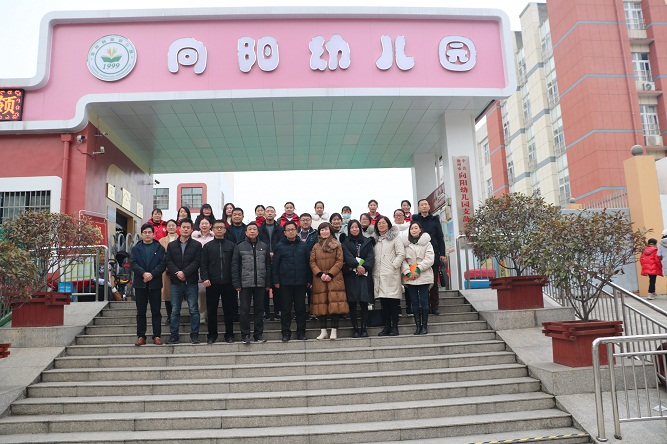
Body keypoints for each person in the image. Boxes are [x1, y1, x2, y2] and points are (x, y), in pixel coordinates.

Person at [232, 222, 272, 344]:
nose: (252, 231)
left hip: (260, 283)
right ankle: (245, 335)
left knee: (259, 310)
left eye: (254, 229)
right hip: (245, 284)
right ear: (246, 232)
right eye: (250, 229)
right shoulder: (239, 246)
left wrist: (268, 283)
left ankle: (258, 334)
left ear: (258, 232)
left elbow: (268, 266)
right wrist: (237, 283)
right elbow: (235, 266)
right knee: (244, 310)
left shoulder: (264, 246)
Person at [165, 218, 202, 344]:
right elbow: (168, 261)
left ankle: (195, 335)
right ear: (179, 229)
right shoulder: (171, 245)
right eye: (183, 227)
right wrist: (177, 272)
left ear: (191, 229)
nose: (185, 229)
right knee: (175, 310)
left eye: (188, 227)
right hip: (176, 282)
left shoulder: (197, 245)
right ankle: (174, 335)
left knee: (194, 309)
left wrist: (185, 272)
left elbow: (197, 262)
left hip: (191, 282)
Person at [272, 221, 310, 341]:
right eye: (288, 230)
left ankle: (301, 332)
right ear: (284, 232)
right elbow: (275, 265)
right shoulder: (279, 246)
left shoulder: (303, 246)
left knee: (300, 309)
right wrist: (276, 280)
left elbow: (308, 264)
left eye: (293, 229)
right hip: (285, 283)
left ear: (296, 231)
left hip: (301, 282)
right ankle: (285, 333)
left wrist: (309, 279)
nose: (291, 232)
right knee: (286, 309)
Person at [130, 223, 167, 346]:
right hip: (140, 284)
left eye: (149, 232)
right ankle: (141, 336)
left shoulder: (159, 248)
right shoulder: (136, 248)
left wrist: (151, 274)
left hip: (155, 284)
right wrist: (143, 274)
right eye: (145, 232)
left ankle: (157, 336)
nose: (147, 234)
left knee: (156, 311)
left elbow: (162, 264)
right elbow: (133, 263)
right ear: (141, 234)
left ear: (153, 234)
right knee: (141, 311)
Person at [201, 220, 237, 343]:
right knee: (212, 310)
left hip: (228, 283)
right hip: (212, 283)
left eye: (222, 227)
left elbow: (235, 264)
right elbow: (203, 264)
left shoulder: (231, 246)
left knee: (228, 310)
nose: (219, 229)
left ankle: (229, 335)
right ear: (213, 230)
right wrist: (205, 278)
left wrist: (235, 280)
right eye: (217, 227)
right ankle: (212, 335)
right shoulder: (208, 246)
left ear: (225, 230)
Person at [310, 222, 348, 340]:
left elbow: (339, 261)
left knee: (334, 304)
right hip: (320, 279)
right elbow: (312, 262)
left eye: (326, 229)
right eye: (322, 230)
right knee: (321, 304)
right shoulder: (316, 246)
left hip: (335, 278)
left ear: (330, 231)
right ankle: (323, 331)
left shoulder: (337, 245)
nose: (324, 232)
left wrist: (330, 274)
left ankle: (334, 331)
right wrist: (320, 274)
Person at [412, 199, 446, 315]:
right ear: (418, 207)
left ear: (429, 207)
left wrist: (442, 253)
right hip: (419, 255)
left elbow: (440, 238)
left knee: (434, 283)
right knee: (422, 282)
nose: (424, 206)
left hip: (434, 254)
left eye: (426, 204)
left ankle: (434, 306)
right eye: (422, 205)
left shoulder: (435, 220)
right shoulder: (415, 220)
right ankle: (424, 306)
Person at [373, 216, 405, 336]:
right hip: (379, 275)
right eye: (379, 223)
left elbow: (401, 254)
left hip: (391, 274)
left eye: (384, 223)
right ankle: (386, 327)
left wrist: (393, 266)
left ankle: (395, 327)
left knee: (393, 302)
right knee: (384, 303)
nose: (381, 225)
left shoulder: (395, 238)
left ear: (388, 225)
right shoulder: (375, 240)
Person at [342, 219, 375, 338]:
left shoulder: (367, 241)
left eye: (356, 227)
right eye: (352, 227)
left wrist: (364, 267)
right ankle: (355, 329)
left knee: (364, 302)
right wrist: (356, 266)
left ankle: (364, 328)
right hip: (351, 275)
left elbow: (371, 257)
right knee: (352, 302)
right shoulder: (345, 242)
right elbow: (347, 256)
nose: (354, 229)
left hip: (364, 276)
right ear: (349, 229)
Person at [402, 221, 434, 334]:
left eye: (416, 228)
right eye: (412, 228)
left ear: (420, 229)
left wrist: (419, 268)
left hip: (423, 276)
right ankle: (418, 326)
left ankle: (424, 326)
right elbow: (403, 260)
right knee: (414, 302)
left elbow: (430, 258)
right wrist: (407, 272)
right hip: (411, 278)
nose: (414, 230)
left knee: (424, 301)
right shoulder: (406, 245)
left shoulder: (427, 243)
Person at [258, 206, 285, 321]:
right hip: (263, 261)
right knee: (264, 287)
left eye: (272, 211)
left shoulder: (280, 229)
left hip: (277, 260)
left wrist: (275, 253)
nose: (269, 213)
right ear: (264, 214)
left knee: (277, 287)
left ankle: (278, 311)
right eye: (267, 211)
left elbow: (283, 243)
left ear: (275, 214)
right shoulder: (259, 229)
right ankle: (265, 312)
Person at [192, 218, 215, 325]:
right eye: (202, 223)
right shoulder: (193, 237)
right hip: (197, 268)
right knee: (201, 293)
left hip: (212, 268)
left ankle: (210, 315)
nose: (204, 225)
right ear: (199, 225)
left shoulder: (214, 237)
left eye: (206, 223)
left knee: (211, 293)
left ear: (210, 225)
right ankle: (202, 316)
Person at [159, 219, 179, 325]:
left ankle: (176, 315)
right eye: (169, 225)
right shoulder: (161, 241)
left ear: (177, 227)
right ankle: (169, 315)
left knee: (177, 294)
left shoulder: (181, 239)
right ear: (166, 228)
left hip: (178, 270)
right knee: (167, 294)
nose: (171, 227)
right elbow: (160, 256)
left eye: (173, 225)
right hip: (166, 271)